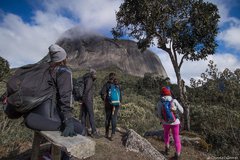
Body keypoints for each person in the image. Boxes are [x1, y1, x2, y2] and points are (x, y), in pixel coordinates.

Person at [24, 44, 83, 137]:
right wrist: (68, 120)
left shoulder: (44, 70)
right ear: (63, 58)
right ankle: (61, 152)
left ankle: (52, 151)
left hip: (32, 117)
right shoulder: (64, 71)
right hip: (46, 118)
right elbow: (65, 97)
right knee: (80, 129)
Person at [156, 87, 183, 159]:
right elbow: (182, 111)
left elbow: (159, 114)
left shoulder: (159, 102)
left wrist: (162, 120)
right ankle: (177, 154)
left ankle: (167, 149)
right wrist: (175, 111)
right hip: (175, 122)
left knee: (166, 135)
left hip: (165, 122)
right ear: (169, 93)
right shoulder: (174, 101)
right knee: (176, 137)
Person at [100, 73, 121, 141]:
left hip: (108, 104)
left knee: (108, 118)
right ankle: (113, 134)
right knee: (114, 118)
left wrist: (105, 100)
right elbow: (120, 96)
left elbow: (102, 93)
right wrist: (119, 102)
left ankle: (106, 133)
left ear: (109, 78)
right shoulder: (117, 85)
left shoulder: (107, 84)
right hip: (116, 104)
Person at [81, 68, 100, 138]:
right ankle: (94, 132)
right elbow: (87, 89)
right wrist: (84, 98)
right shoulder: (89, 79)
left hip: (84, 99)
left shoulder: (85, 78)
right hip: (88, 99)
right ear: (92, 73)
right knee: (91, 115)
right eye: (95, 74)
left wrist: (82, 99)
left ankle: (83, 131)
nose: (96, 75)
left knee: (84, 115)